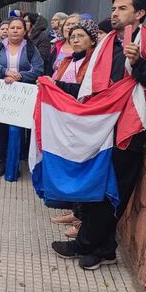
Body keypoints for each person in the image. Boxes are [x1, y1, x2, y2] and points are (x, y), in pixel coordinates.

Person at [51, 0, 146, 270]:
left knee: (114, 190)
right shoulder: (107, 44)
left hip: (131, 130)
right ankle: (105, 249)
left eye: (122, 8)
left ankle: (86, 245)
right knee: (100, 187)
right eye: (113, 8)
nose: (115, 13)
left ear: (140, 14)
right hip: (100, 126)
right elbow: (94, 88)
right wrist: (53, 88)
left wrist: (139, 65)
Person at [47, 19, 100, 239]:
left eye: (81, 36)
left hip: (84, 122)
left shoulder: (95, 62)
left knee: (83, 169)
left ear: (92, 40)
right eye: (73, 36)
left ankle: (83, 221)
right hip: (65, 121)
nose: (76, 40)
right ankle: (75, 212)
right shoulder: (67, 60)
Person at [0, 16, 44, 176]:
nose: (15, 30)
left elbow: (38, 70)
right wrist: (5, 72)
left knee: (17, 129)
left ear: (25, 31)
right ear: (6, 30)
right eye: (12, 28)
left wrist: (19, 76)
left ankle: (14, 162)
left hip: (21, 96)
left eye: (19, 28)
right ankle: (1, 162)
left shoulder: (31, 49)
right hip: (0, 95)